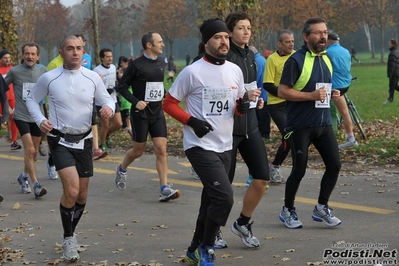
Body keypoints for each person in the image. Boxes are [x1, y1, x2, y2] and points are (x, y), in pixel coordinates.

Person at [162, 18, 248, 266]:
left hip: (225, 145)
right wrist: (192, 121)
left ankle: (192, 250)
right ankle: (207, 248)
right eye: (218, 37)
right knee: (225, 198)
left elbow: (237, 107)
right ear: (206, 42)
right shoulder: (192, 71)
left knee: (210, 201)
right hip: (199, 146)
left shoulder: (234, 70)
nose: (224, 41)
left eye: (226, 37)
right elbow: (168, 104)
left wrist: (242, 107)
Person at [26, 35, 115, 262]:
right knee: (72, 191)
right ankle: (68, 238)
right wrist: (39, 120)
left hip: (84, 140)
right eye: (70, 49)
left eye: (79, 49)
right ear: (61, 52)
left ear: (83, 51)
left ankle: (71, 233)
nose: (75, 52)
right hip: (60, 139)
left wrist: (108, 109)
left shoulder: (93, 77)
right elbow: (31, 100)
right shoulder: (50, 77)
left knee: (82, 194)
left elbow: (108, 100)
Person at [277, 17, 342, 229]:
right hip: (300, 126)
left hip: (323, 123)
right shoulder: (295, 60)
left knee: (334, 165)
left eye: (325, 32)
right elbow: (283, 91)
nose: (323, 36)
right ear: (306, 37)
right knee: (299, 169)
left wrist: (332, 93)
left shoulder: (326, 59)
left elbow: (320, 88)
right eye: (317, 33)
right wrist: (311, 96)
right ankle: (287, 210)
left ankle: (321, 207)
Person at [115, 32, 181, 202]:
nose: (163, 45)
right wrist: (135, 102)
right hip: (140, 114)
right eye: (160, 42)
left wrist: (164, 94)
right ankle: (122, 168)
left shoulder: (161, 62)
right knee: (138, 151)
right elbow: (121, 87)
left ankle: (164, 188)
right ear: (149, 45)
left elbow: (156, 86)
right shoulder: (135, 65)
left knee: (161, 149)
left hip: (157, 112)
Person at [224, 11, 269, 248]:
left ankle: (243, 222)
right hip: (228, 128)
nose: (246, 32)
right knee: (223, 186)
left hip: (249, 124)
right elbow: (220, 91)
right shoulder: (225, 56)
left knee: (262, 177)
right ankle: (213, 228)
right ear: (230, 32)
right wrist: (243, 96)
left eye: (249, 28)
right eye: (241, 28)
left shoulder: (251, 56)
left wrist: (255, 100)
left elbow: (250, 87)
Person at [4, 42, 48, 198]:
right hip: (21, 115)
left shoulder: (43, 71)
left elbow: (52, 90)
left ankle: (23, 176)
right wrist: (5, 106)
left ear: (38, 56)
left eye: (33, 54)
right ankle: (36, 184)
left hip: (37, 117)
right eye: (27, 54)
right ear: (22, 55)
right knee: (29, 150)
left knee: (34, 153)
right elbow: (2, 87)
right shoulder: (15, 72)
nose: (30, 57)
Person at [264, 29, 295, 183]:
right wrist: (284, 93)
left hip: (294, 104)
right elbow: (267, 84)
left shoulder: (296, 56)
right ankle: (275, 166)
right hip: (277, 105)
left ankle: (295, 169)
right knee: (289, 135)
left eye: (292, 41)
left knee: (295, 136)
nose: (291, 44)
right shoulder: (272, 59)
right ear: (279, 44)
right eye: (287, 42)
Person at [327, 32, 357, 149]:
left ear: (329, 40)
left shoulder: (328, 52)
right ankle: (351, 138)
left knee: (319, 111)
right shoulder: (345, 51)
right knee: (344, 112)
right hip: (345, 84)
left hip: (335, 86)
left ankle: (349, 139)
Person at [93, 48, 123, 152]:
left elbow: (114, 81)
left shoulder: (113, 67)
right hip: (102, 102)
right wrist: (100, 82)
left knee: (118, 123)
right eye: (107, 56)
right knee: (105, 125)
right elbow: (93, 87)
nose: (110, 58)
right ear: (102, 58)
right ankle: (102, 144)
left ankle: (107, 135)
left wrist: (117, 84)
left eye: (111, 56)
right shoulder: (96, 70)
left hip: (113, 99)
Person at [0, 49, 22, 150]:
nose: (8, 59)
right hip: (2, 99)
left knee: (14, 118)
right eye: (5, 58)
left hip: (12, 98)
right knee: (2, 120)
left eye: (9, 58)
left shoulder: (13, 70)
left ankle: (14, 141)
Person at [249, 45, 270, 140]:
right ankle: (265, 134)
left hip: (260, 93)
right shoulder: (262, 60)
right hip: (266, 92)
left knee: (261, 117)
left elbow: (255, 78)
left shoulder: (256, 62)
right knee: (265, 117)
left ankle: (263, 135)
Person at [117, 56, 132, 133]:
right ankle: (128, 127)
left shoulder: (130, 70)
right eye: (121, 63)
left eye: (123, 63)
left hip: (130, 95)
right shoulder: (119, 71)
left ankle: (129, 127)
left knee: (128, 113)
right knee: (127, 113)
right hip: (123, 97)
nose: (121, 64)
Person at [385, 39, 399, 104]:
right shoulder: (397, 51)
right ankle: (390, 99)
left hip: (394, 73)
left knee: (392, 86)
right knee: (394, 86)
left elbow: (392, 65)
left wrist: (390, 74)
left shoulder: (392, 53)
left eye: (389, 43)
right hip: (397, 72)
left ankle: (390, 99)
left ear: (393, 44)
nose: (388, 44)